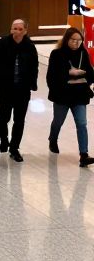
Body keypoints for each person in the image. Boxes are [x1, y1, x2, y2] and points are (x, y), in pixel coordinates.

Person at [0, 18, 38, 162]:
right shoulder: (2, 44)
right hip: (5, 87)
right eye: (14, 28)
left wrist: (33, 84)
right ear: (10, 29)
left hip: (23, 89)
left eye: (20, 29)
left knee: (19, 120)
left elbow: (34, 66)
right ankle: (4, 139)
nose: (17, 31)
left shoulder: (29, 46)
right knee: (4, 117)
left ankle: (14, 148)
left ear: (25, 31)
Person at [47, 27, 93, 167]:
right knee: (58, 122)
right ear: (67, 39)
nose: (76, 43)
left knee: (82, 123)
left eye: (79, 41)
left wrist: (83, 76)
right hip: (62, 95)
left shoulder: (83, 54)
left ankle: (83, 154)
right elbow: (52, 77)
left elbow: (90, 73)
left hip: (79, 95)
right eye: (73, 40)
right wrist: (70, 74)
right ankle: (53, 138)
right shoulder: (57, 54)